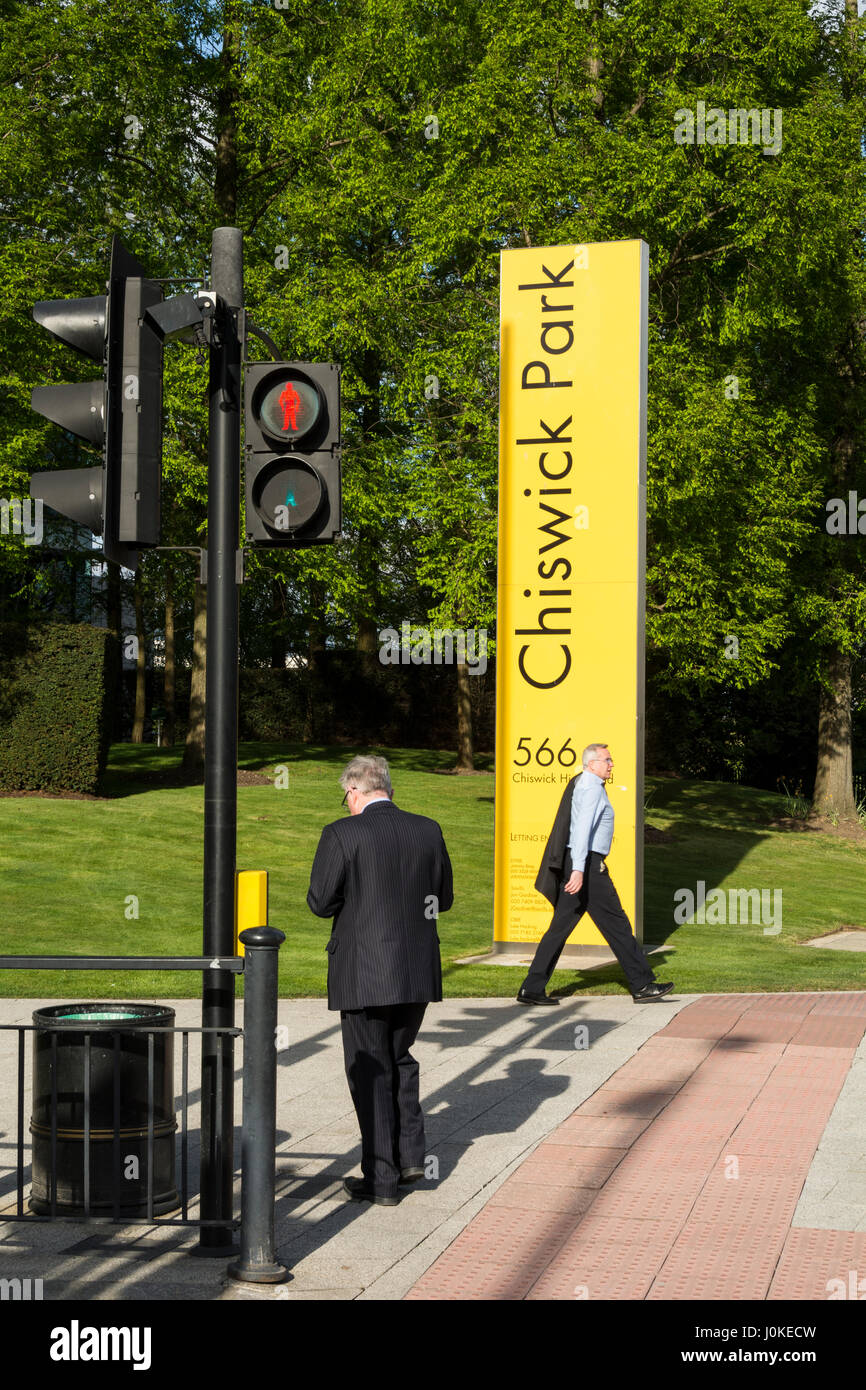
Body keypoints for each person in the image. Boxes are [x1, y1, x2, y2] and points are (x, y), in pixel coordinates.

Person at [307, 754, 453, 1205]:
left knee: (370, 1068)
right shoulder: (427, 829)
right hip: (416, 968)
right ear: (386, 787)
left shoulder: (342, 833)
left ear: (354, 790)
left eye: (345, 795)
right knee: (400, 1058)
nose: (345, 803)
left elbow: (320, 902)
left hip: (364, 970)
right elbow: (442, 898)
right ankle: (410, 1157)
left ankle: (383, 1179)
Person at [516, 742, 673, 1005]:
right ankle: (643, 985)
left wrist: (576, 868)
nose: (612, 765)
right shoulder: (590, 787)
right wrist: (578, 870)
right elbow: (580, 832)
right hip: (587, 866)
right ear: (592, 763)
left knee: (560, 927)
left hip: (583, 864)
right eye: (607, 760)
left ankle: (531, 988)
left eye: (611, 760)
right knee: (617, 924)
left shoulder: (587, 785)